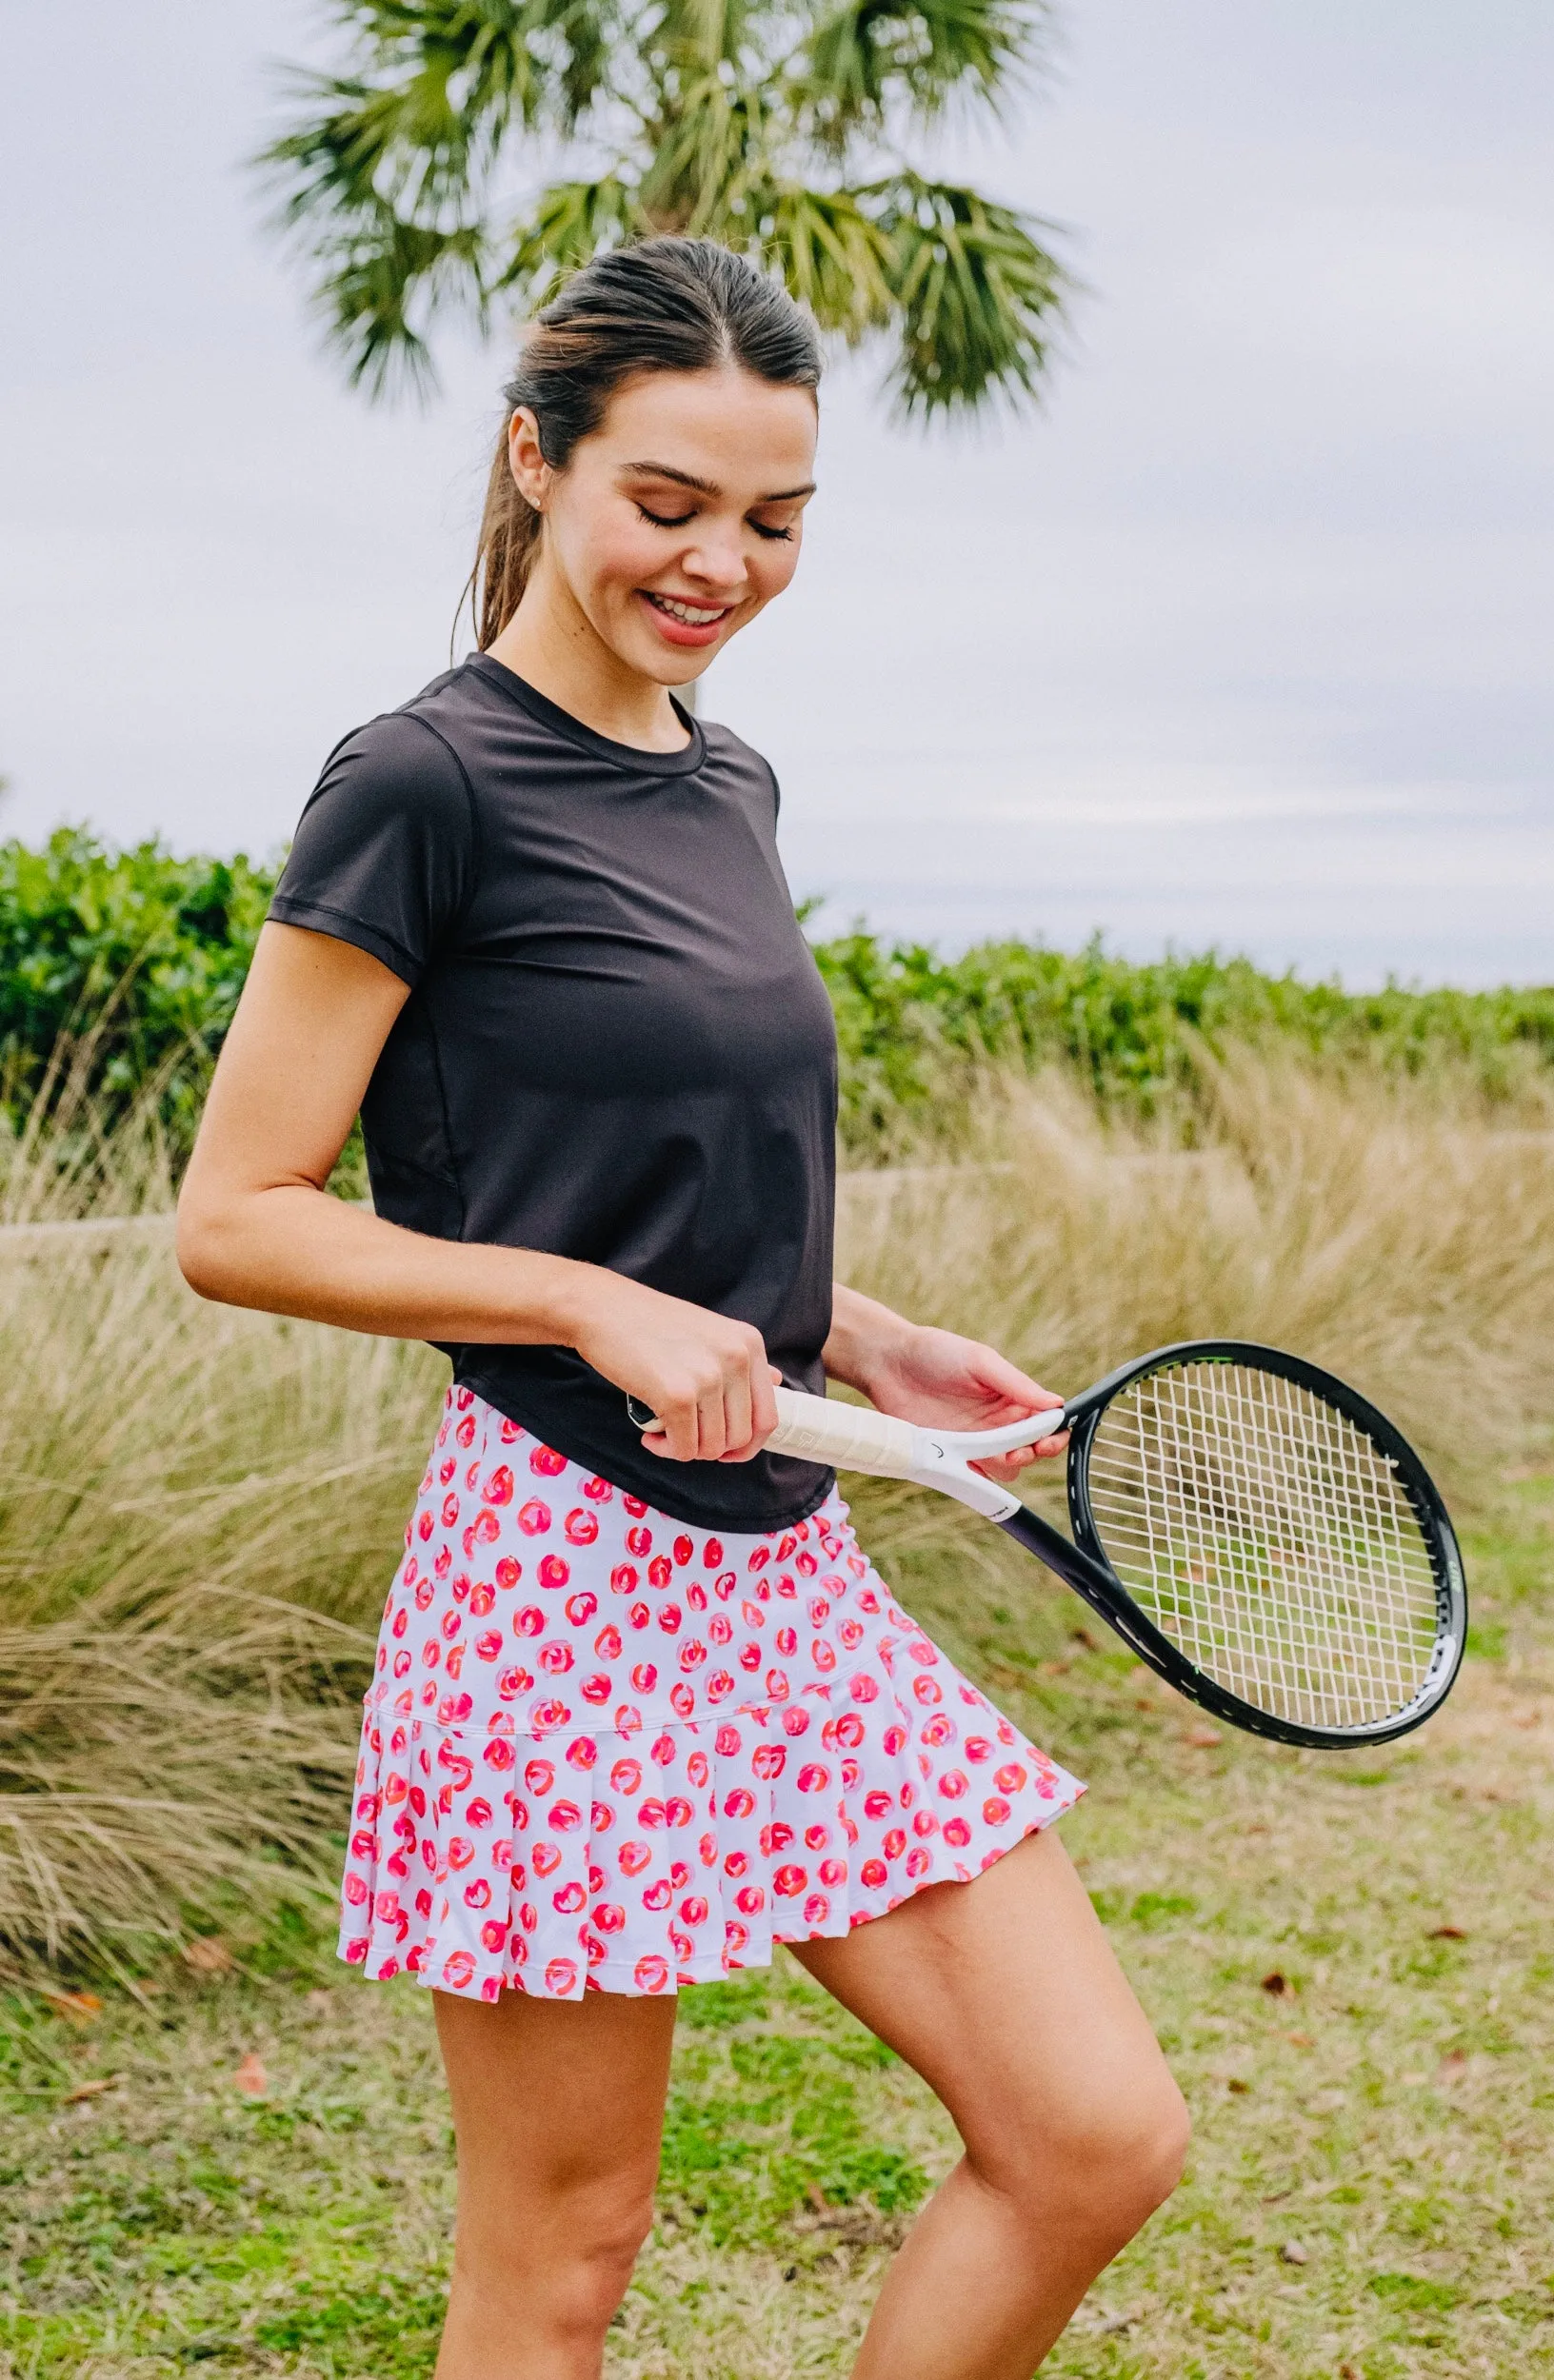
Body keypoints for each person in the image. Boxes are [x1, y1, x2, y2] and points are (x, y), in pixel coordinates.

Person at [177, 237, 1186, 2380]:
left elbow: (651, 1157)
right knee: (559, 2262)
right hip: (556, 1570)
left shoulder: (724, 779)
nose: (720, 560)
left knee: (1088, 2135)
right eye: (668, 501)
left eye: (774, 519)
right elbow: (239, 1214)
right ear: (537, 462)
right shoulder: (421, 779)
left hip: (779, 1569)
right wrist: (585, 1305)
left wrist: (850, 1325)